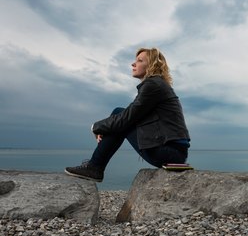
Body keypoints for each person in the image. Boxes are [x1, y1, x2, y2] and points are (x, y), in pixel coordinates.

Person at [65, 48, 190, 182]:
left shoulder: (153, 85)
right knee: (119, 115)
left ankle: (95, 167)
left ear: (152, 65)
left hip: (169, 152)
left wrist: (96, 127)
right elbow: (130, 116)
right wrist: (106, 126)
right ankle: (95, 166)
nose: (133, 64)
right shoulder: (158, 85)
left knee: (119, 114)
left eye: (140, 61)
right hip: (174, 153)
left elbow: (125, 119)